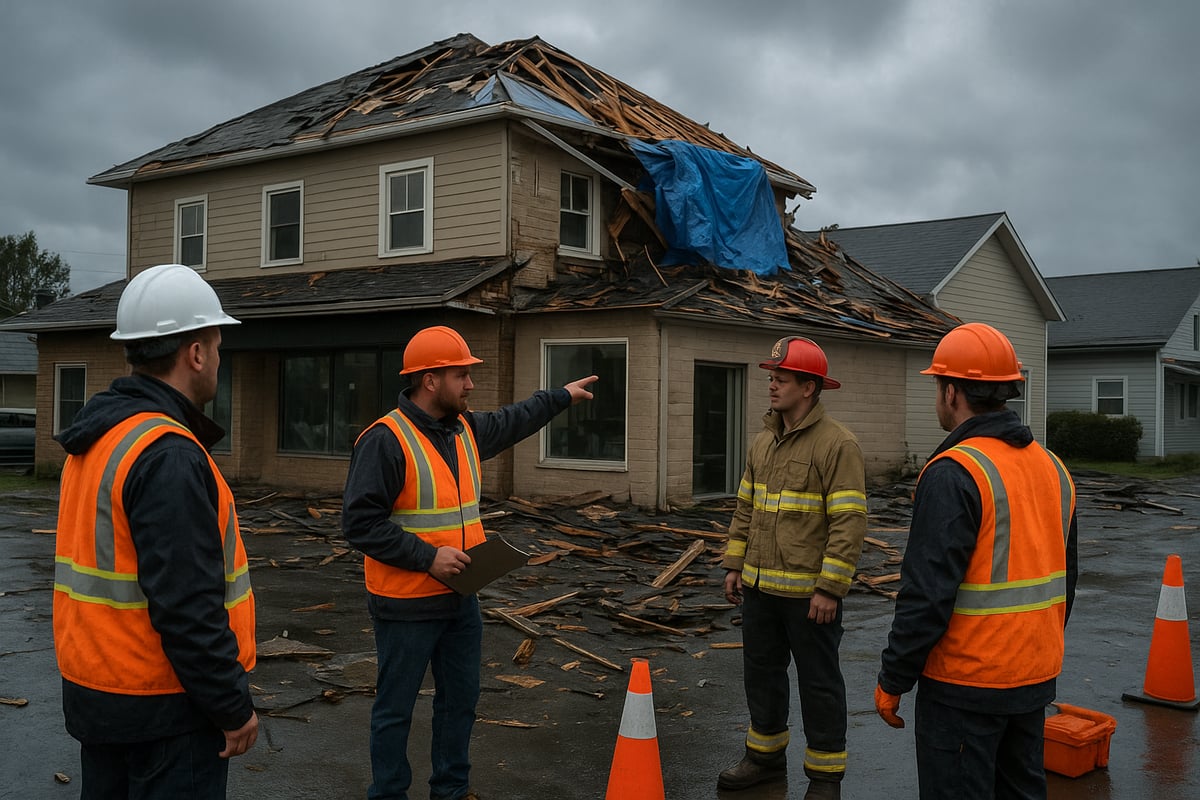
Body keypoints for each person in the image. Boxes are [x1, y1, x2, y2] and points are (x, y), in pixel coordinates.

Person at [342, 325, 598, 800]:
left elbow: (514, 419)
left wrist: (560, 396)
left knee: (459, 703)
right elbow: (359, 524)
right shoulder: (385, 440)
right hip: (405, 605)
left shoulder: (464, 430)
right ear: (430, 380)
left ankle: (452, 792)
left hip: (461, 600)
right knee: (395, 710)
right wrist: (427, 557)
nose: (471, 384)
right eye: (462, 374)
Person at [53, 263, 258, 798]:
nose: (217, 357)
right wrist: (232, 708)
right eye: (215, 344)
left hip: (102, 695)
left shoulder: (104, 436)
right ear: (194, 353)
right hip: (164, 710)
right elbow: (187, 605)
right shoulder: (167, 453)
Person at [875, 322, 1079, 800]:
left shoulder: (955, 472)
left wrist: (894, 677)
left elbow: (926, 594)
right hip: (1033, 679)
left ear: (951, 392)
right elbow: (1065, 582)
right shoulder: (1054, 468)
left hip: (965, 686)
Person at [719, 336, 868, 800]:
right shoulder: (763, 442)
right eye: (770, 377)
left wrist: (830, 588)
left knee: (819, 685)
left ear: (809, 387)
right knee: (761, 676)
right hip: (760, 589)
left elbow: (849, 521)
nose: (771, 385)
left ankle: (825, 779)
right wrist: (734, 564)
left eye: (780, 379)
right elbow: (746, 508)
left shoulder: (838, 445)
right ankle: (763, 760)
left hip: (810, 598)